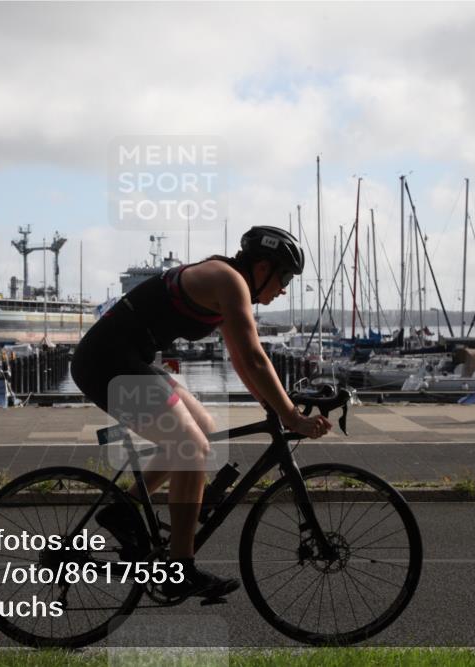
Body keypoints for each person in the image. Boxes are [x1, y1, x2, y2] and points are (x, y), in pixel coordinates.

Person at [70, 226, 332, 600]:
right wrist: (290, 415)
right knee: (189, 446)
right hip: (106, 362)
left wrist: (272, 406)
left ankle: (124, 508)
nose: (285, 287)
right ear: (262, 268)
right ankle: (180, 570)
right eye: (285, 276)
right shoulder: (228, 281)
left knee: (204, 430)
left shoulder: (227, 281)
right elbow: (257, 358)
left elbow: (242, 360)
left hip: (125, 359)